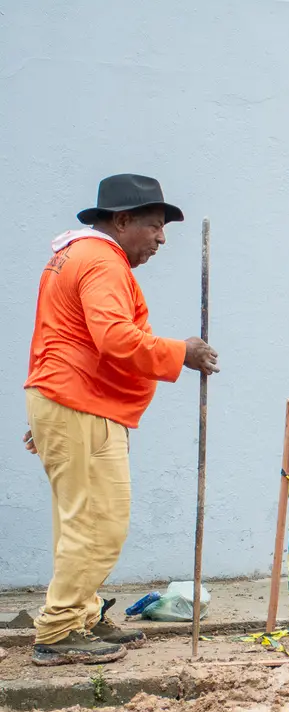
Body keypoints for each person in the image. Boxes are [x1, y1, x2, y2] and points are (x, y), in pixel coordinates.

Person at [21, 174, 219, 666]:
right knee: (99, 523)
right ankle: (60, 629)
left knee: (79, 521)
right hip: (78, 404)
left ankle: (82, 616)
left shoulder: (74, 255)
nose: (162, 238)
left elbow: (62, 337)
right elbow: (113, 338)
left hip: (70, 402)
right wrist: (181, 352)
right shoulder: (102, 261)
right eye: (154, 225)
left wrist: (50, 413)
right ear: (123, 220)